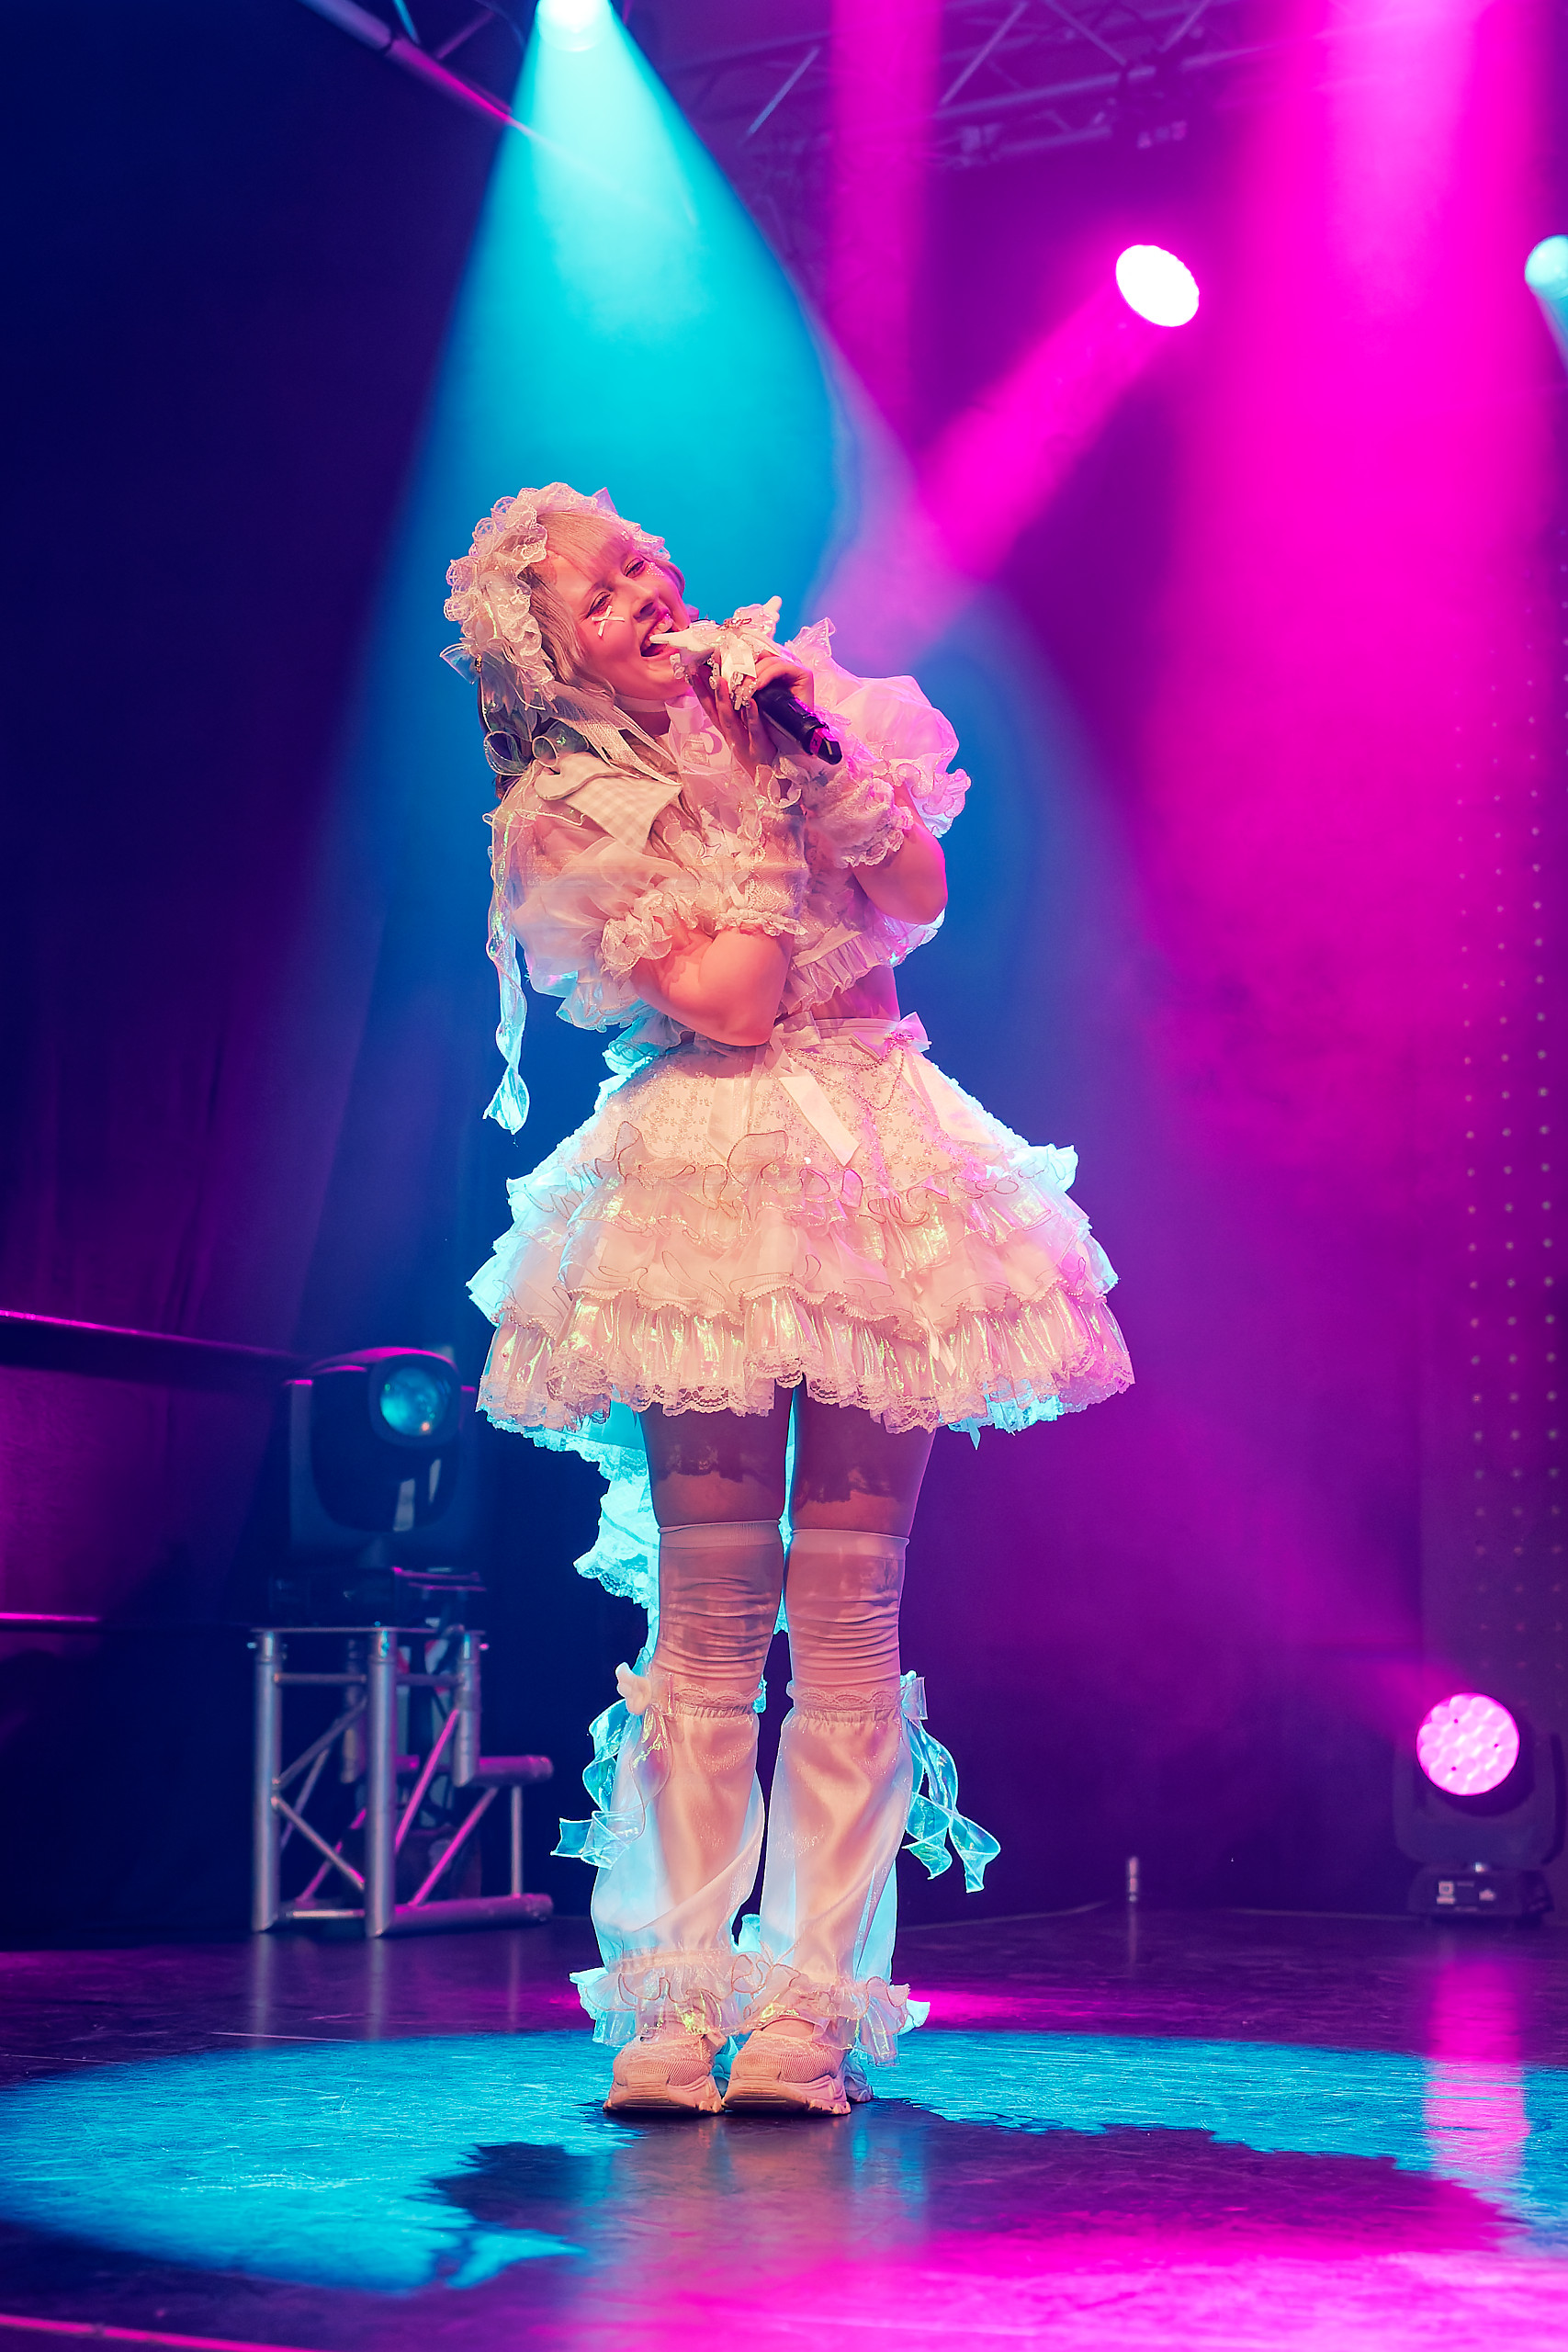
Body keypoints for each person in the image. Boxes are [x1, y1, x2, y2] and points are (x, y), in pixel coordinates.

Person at [445, 482, 1133, 2119]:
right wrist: (751, 797)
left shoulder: (800, 703)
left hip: (876, 1164)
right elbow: (739, 1001)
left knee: (846, 1614)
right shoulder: (573, 810)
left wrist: (805, 752)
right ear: (559, 661)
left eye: (644, 561)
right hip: (709, 1169)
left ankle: (811, 2007)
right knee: (706, 1615)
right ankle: (675, 1995)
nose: (649, 590)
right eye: (606, 595)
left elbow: (919, 898)